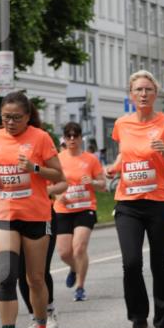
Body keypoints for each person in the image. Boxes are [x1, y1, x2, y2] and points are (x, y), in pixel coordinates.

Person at [0, 91, 63, 328]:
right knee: (6, 276)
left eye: (15, 118)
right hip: (5, 213)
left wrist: (35, 167)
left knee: (35, 278)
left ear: (27, 116)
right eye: (5, 118)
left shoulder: (40, 137)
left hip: (36, 215)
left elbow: (58, 174)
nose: (10, 123)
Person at [108, 70, 164, 328]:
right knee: (131, 263)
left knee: (159, 263)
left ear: (156, 94)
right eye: (138, 90)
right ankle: (138, 321)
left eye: (148, 90)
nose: (143, 94)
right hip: (128, 202)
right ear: (131, 94)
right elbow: (123, 155)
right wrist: (113, 169)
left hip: (160, 202)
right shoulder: (122, 124)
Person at [52, 122, 105, 302]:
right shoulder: (57, 159)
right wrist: (58, 196)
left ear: (81, 138)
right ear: (64, 139)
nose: (72, 139)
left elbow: (103, 184)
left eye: (76, 136)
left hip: (85, 207)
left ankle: (80, 287)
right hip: (63, 209)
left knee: (79, 248)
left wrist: (91, 182)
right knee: (64, 253)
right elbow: (48, 185)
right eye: (68, 136)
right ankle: (74, 268)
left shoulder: (90, 159)